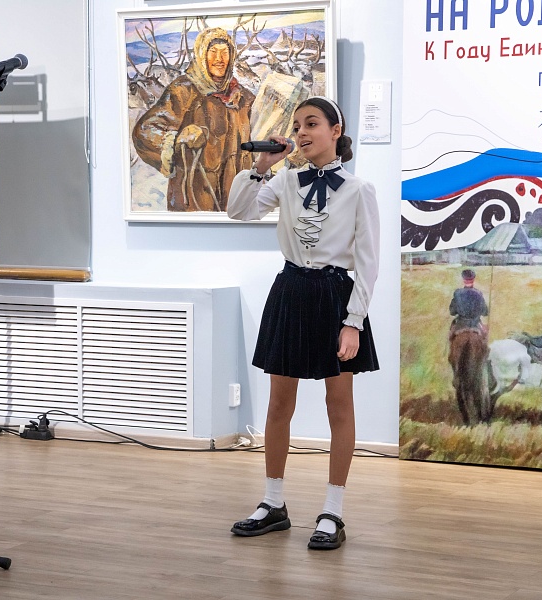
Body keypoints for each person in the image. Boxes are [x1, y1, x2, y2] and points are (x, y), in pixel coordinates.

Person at [227, 96, 380, 550]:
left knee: (339, 404)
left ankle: (333, 511)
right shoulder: (286, 180)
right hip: (291, 290)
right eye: (297, 126)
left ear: (336, 130)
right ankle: (273, 503)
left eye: (311, 124)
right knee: (279, 403)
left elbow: (368, 263)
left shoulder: (359, 190)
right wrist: (262, 165)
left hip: (335, 296)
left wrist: (353, 321)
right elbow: (240, 210)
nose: (301, 133)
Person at [132, 27, 254, 212]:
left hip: (234, 200)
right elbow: (145, 130)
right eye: (213, 52)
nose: (219, 59)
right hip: (193, 199)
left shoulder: (243, 97)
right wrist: (178, 139)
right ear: (202, 55)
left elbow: (259, 135)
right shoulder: (184, 90)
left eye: (224, 52)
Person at [449, 269, 488, 340]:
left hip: (460, 324)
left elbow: (452, 312)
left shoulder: (457, 293)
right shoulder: (479, 293)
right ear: (473, 280)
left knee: (451, 337)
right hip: (476, 325)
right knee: (484, 337)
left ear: (464, 280)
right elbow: (485, 312)